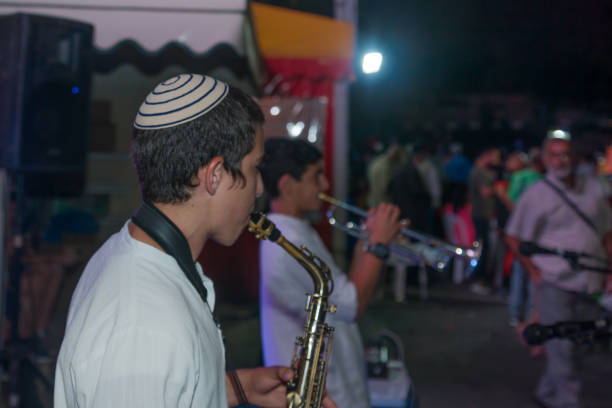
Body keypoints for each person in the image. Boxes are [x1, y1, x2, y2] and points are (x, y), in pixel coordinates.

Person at [54, 74, 335, 408]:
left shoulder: (133, 254)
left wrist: (234, 387)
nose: (259, 188)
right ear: (214, 174)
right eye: (254, 167)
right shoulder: (143, 327)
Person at [258, 138, 402, 408]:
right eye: (316, 177)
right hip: (323, 393)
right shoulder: (286, 243)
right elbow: (352, 304)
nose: (325, 185)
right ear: (287, 185)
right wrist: (379, 246)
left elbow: (344, 290)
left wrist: (368, 239)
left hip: (334, 385)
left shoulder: (295, 230)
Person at [505, 135, 612, 408]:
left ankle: (546, 393)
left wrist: (610, 270)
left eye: (565, 154)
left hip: (590, 281)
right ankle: (567, 401)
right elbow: (514, 238)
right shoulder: (537, 195)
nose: (560, 160)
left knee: (576, 347)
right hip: (555, 283)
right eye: (554, 155)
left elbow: (607, 234)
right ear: (545, 160)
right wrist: (535, 273)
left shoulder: (594, 190)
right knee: (562, 349)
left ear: (574, 157)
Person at [467, 146, 501, 294]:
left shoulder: (480, 171)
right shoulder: (479, 172)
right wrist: (499, 190)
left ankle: (479, 278)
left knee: (484, 247)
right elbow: (485, 192)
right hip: (481, 214)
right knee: (483, 248)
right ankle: (478, 280)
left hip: (482, 214)